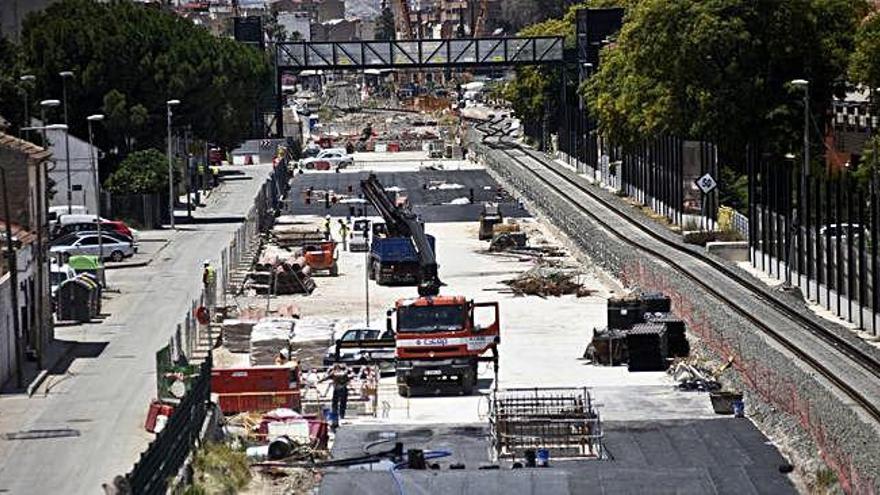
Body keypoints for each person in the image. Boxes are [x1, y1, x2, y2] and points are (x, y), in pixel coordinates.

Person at [322, 362, 352, 427]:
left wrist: (319, 381)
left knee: (335, 404)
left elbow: (326, 378)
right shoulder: (344, 373)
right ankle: (341, 416)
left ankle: (335, 418)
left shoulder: (333, 373)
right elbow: (348, 380)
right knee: (343, 403)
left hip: (337, 389)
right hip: (343, 389)